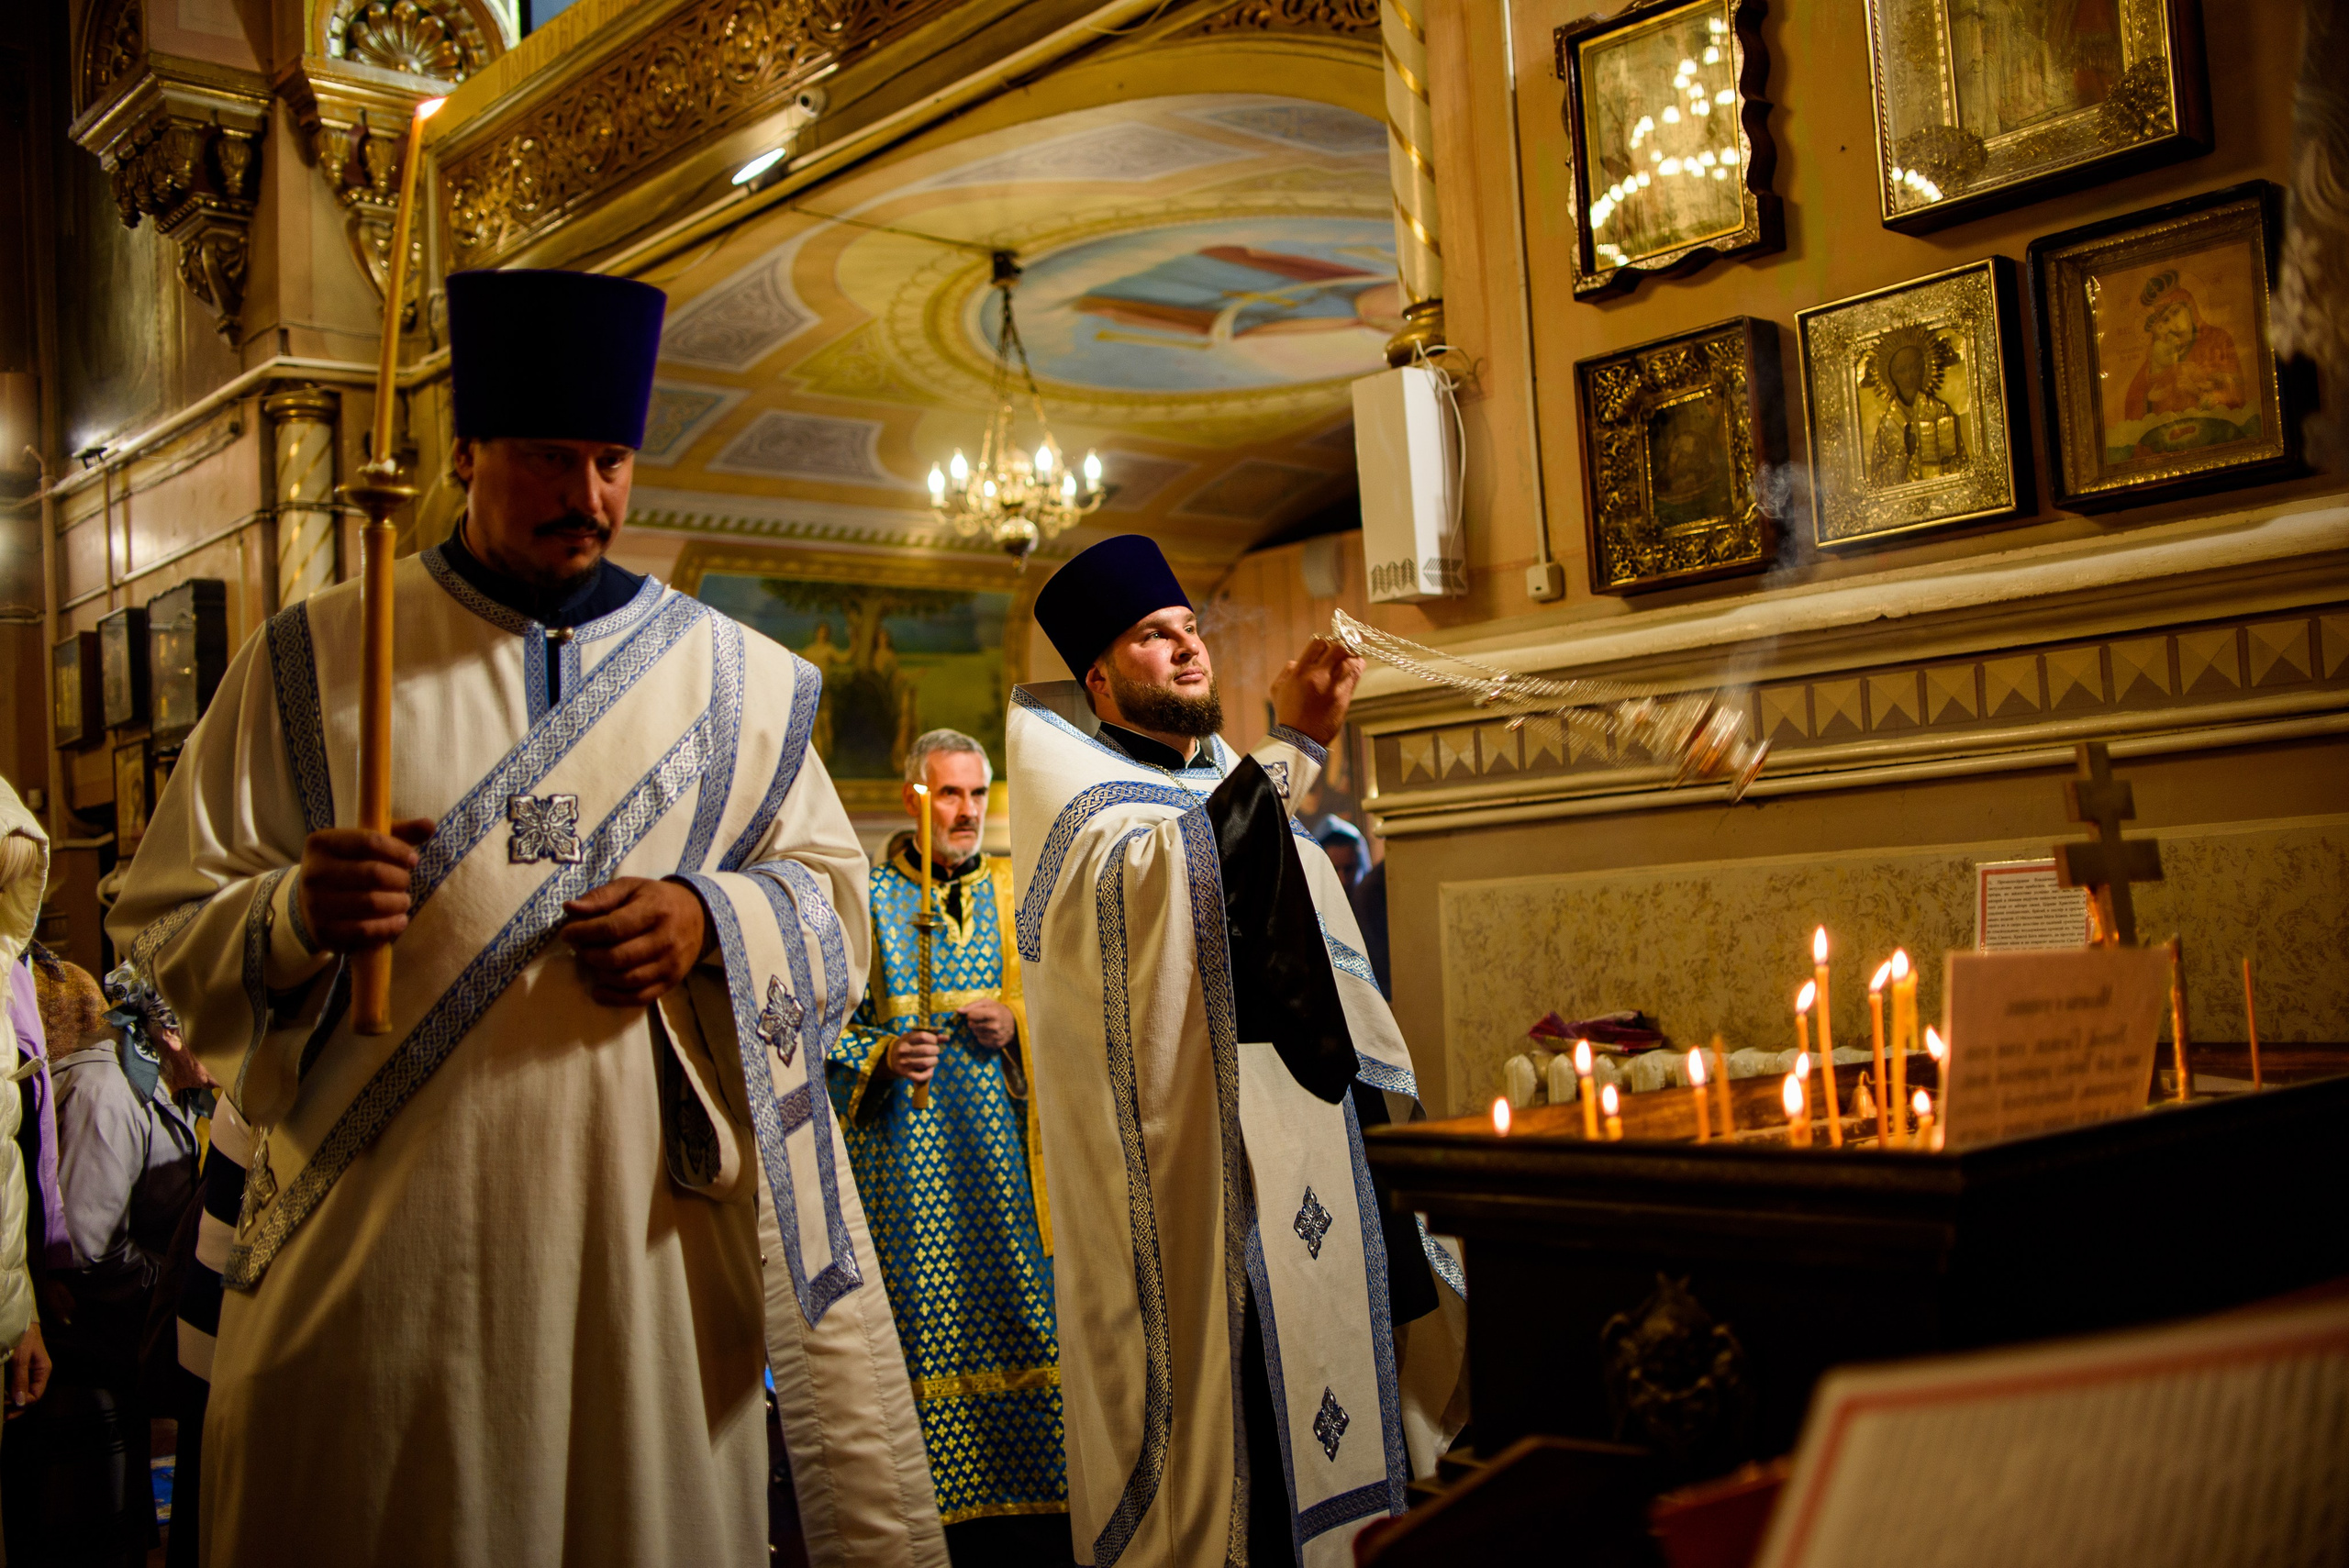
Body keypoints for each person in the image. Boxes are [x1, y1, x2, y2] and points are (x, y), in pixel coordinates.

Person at [108, 268, 943, 1567]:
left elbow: (838, 909)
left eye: (611, 459)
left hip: (642, 1264)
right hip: (381, 1252)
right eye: (553, 457)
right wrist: (290, 915)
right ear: (468, 456)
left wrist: (709, 915)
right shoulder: (311, 658)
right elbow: (159, 918)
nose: (590, 495)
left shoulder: (739, 684)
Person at [1008, 536, 1466, 1568]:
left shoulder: (1224, 785)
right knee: (1251, 1448)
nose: (1184, 649)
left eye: (1187, 628)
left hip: (1313, 1151)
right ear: (1097, 676)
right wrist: (1296, 744)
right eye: (1149, 636)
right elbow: (1177, 878)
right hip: (1201, 1191)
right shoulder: (1082, 811)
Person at [830, 729, 1067, 1565]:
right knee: (919, 1324)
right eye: (950, 795)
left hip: (1005, 1163)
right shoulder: (860, 900)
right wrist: (885, 1054)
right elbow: (820, 1035)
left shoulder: (1012, 893)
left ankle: (1037, 1513)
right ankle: (922, 1515)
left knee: (1021, 1309)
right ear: (913, 799)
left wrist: (1017, 1023)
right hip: (903, 1169)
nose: (967, 812)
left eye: (977, 794)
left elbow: (1064, 1009)